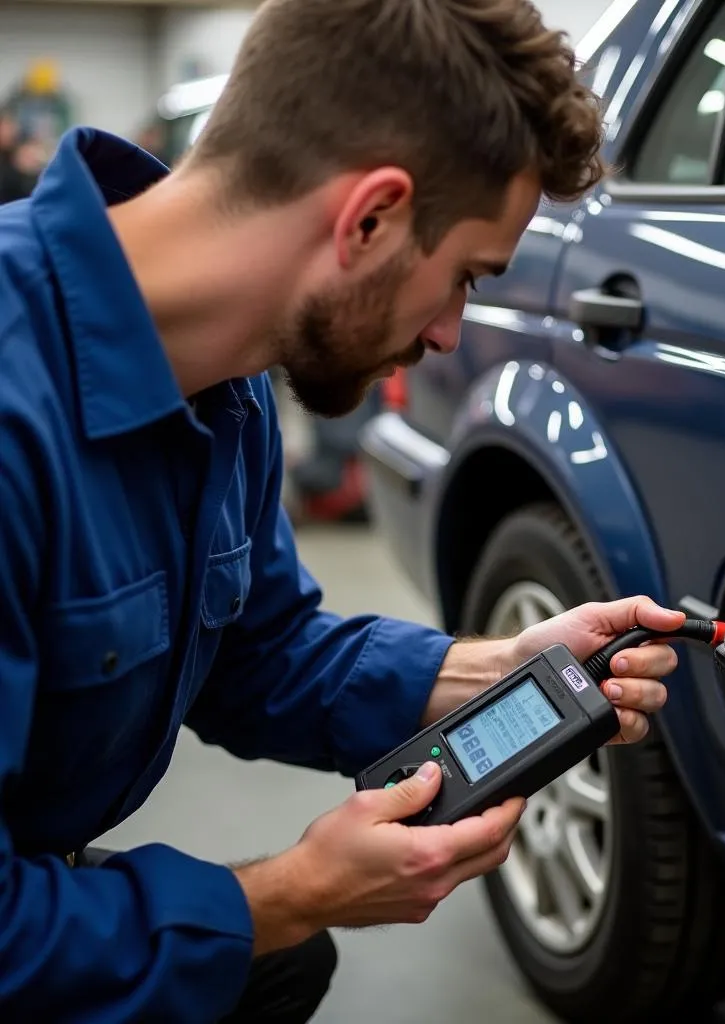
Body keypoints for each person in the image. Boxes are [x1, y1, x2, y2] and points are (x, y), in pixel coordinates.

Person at [0, 1, 689, 1021]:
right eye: (462, 277)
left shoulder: (228, 379)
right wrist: (292, 891)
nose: (452, 333)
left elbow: (254, 653)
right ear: (369, 217)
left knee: (279, 966)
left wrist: (487, 673)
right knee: (270, 945)